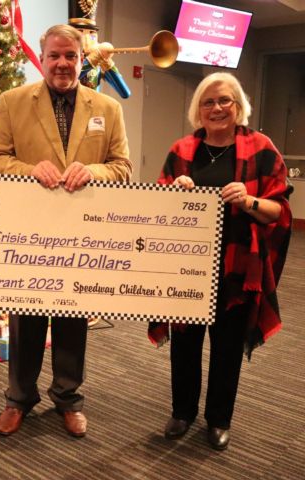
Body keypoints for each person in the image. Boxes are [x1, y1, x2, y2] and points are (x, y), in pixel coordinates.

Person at [0, 24, 131, 437]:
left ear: (82, 59)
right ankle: (19, 399)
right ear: (42, 58)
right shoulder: (12, 102)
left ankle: (68, 399)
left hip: (82, 237)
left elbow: (122, 167)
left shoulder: (108, 107)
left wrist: (94, 171)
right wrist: (32, 171)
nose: (63, 64)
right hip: (28, 236)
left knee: (72, 321)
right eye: (55, 56)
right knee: (25, 319)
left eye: (71, 56)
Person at [148, 72, 292, 450]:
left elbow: (279, 212)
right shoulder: (181, 150)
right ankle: (183, 412)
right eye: (208, 102)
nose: (217, 108)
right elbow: (154, 207)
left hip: (237, 267)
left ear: (238, 105)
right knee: (184, 343)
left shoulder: (262, 147)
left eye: (225, 100)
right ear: (199, 109)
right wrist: (174, 195)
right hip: (186, 267)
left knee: (227, 347)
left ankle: (218, 419)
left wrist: (248, 200)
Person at [68, 0, 131, 99]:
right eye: (80, 33)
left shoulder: (98, 62)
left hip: (93, 110)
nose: (87, 39)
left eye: (92, 34)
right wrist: (94, 57)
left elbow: (125, 92)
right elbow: (69, 80)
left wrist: (107, 62)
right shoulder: (66, 59)